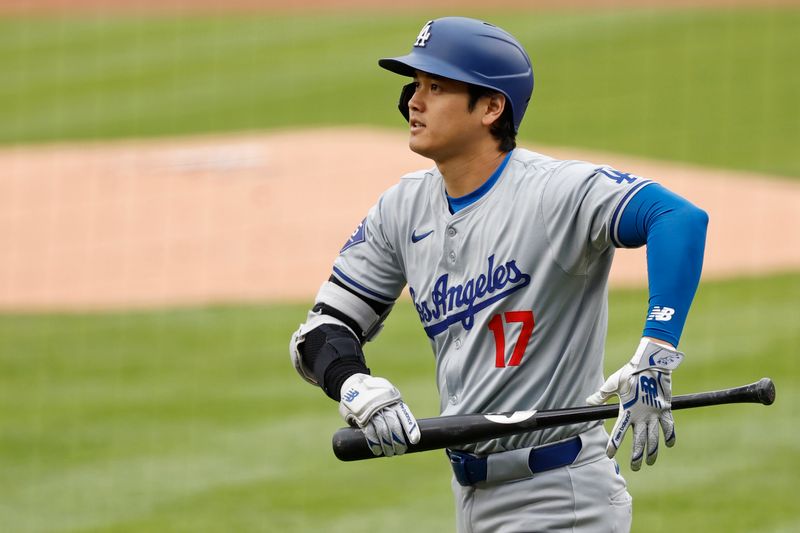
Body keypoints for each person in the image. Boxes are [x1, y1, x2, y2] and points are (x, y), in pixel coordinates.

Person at [289, 16, 707, 532]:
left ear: (491, 107)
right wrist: (355, 386)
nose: (413, 102)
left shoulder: (553, 192)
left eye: (436, 87)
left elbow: (677, 218)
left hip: (562, 497)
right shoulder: (403, 207)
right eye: (414, 86)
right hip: (470, 497)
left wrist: (657, 348)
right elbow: (321, 331)